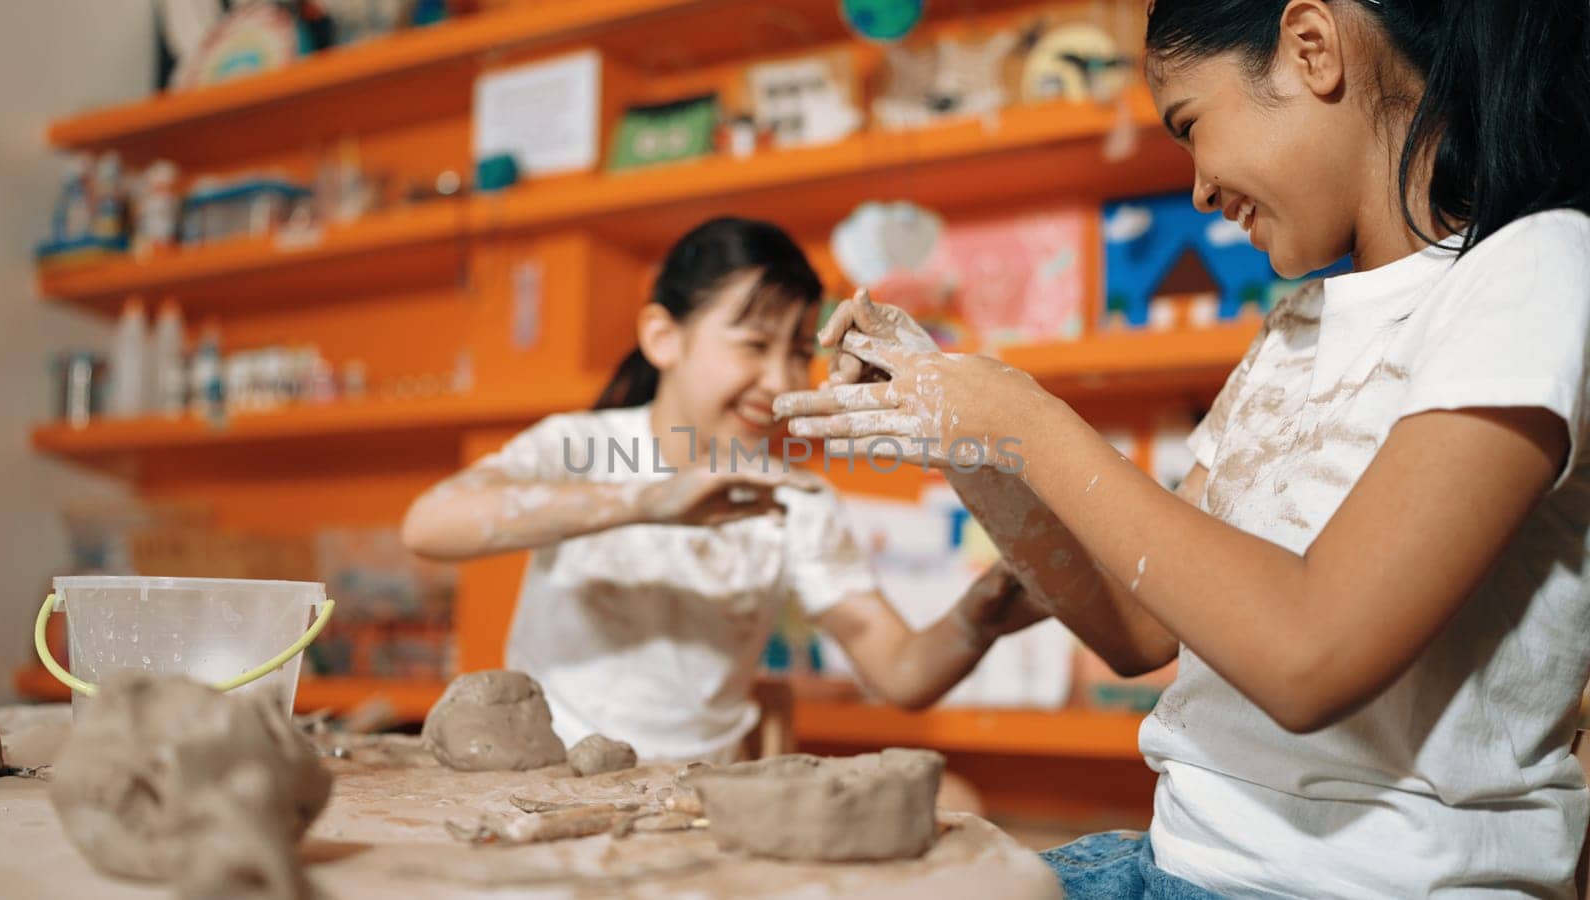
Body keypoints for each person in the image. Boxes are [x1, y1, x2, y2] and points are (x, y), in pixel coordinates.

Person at [777, 0, 1590, 895]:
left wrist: (1021, 419)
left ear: (1312, 48)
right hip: (1173, 860)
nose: (1199, 188)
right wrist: (964, 434)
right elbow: (1139, 630)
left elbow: (1307, 657)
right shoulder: (1293, 331)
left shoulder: (1535, 270)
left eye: (1191, 126)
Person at [402, 217, 1044, 765]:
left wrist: (981, 612)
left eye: (797, 352)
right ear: (663, 337)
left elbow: (900, 673)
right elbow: (429, 525)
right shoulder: (582, 447)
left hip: (697, 801)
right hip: (546, 778)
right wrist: (647, 501)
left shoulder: (795, 496)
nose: (778, 379)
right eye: (753, 345)